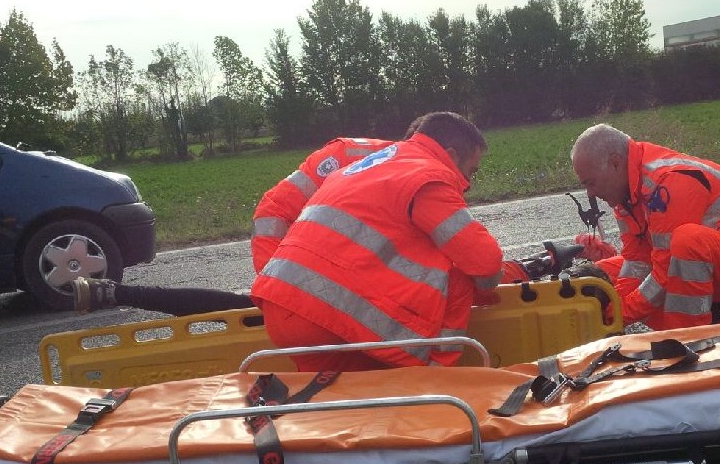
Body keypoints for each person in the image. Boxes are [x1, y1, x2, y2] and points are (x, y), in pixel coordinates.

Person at [249, 111, 504, 372]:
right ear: (450, 155)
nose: (469, 184)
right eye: (471, 171)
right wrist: (484, 288)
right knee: (457, 277)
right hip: (332, 320)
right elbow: (485, 264)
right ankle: (436, 376)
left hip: (282, 314)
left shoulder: (357, 168)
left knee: (336, 401)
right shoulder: (428, 175)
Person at [72, 133, 404, 315]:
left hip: (287, 228)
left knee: (253, 307)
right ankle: (118, 293)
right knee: (260, 310)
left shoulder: (380, 155)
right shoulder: (406, 170)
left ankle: (114, 293)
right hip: (286, 231)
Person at [569, 123, 720, 330]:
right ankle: (719, 318)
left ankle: (691, 339)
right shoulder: (626, 194)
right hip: (704, 268)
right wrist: (616, 304)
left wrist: (619, 314)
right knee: (606, 272)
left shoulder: (668, 181)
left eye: (590, 182)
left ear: (615, 163)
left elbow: (664, 273)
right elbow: (637, 262)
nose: (590, 193)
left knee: (687, 242)